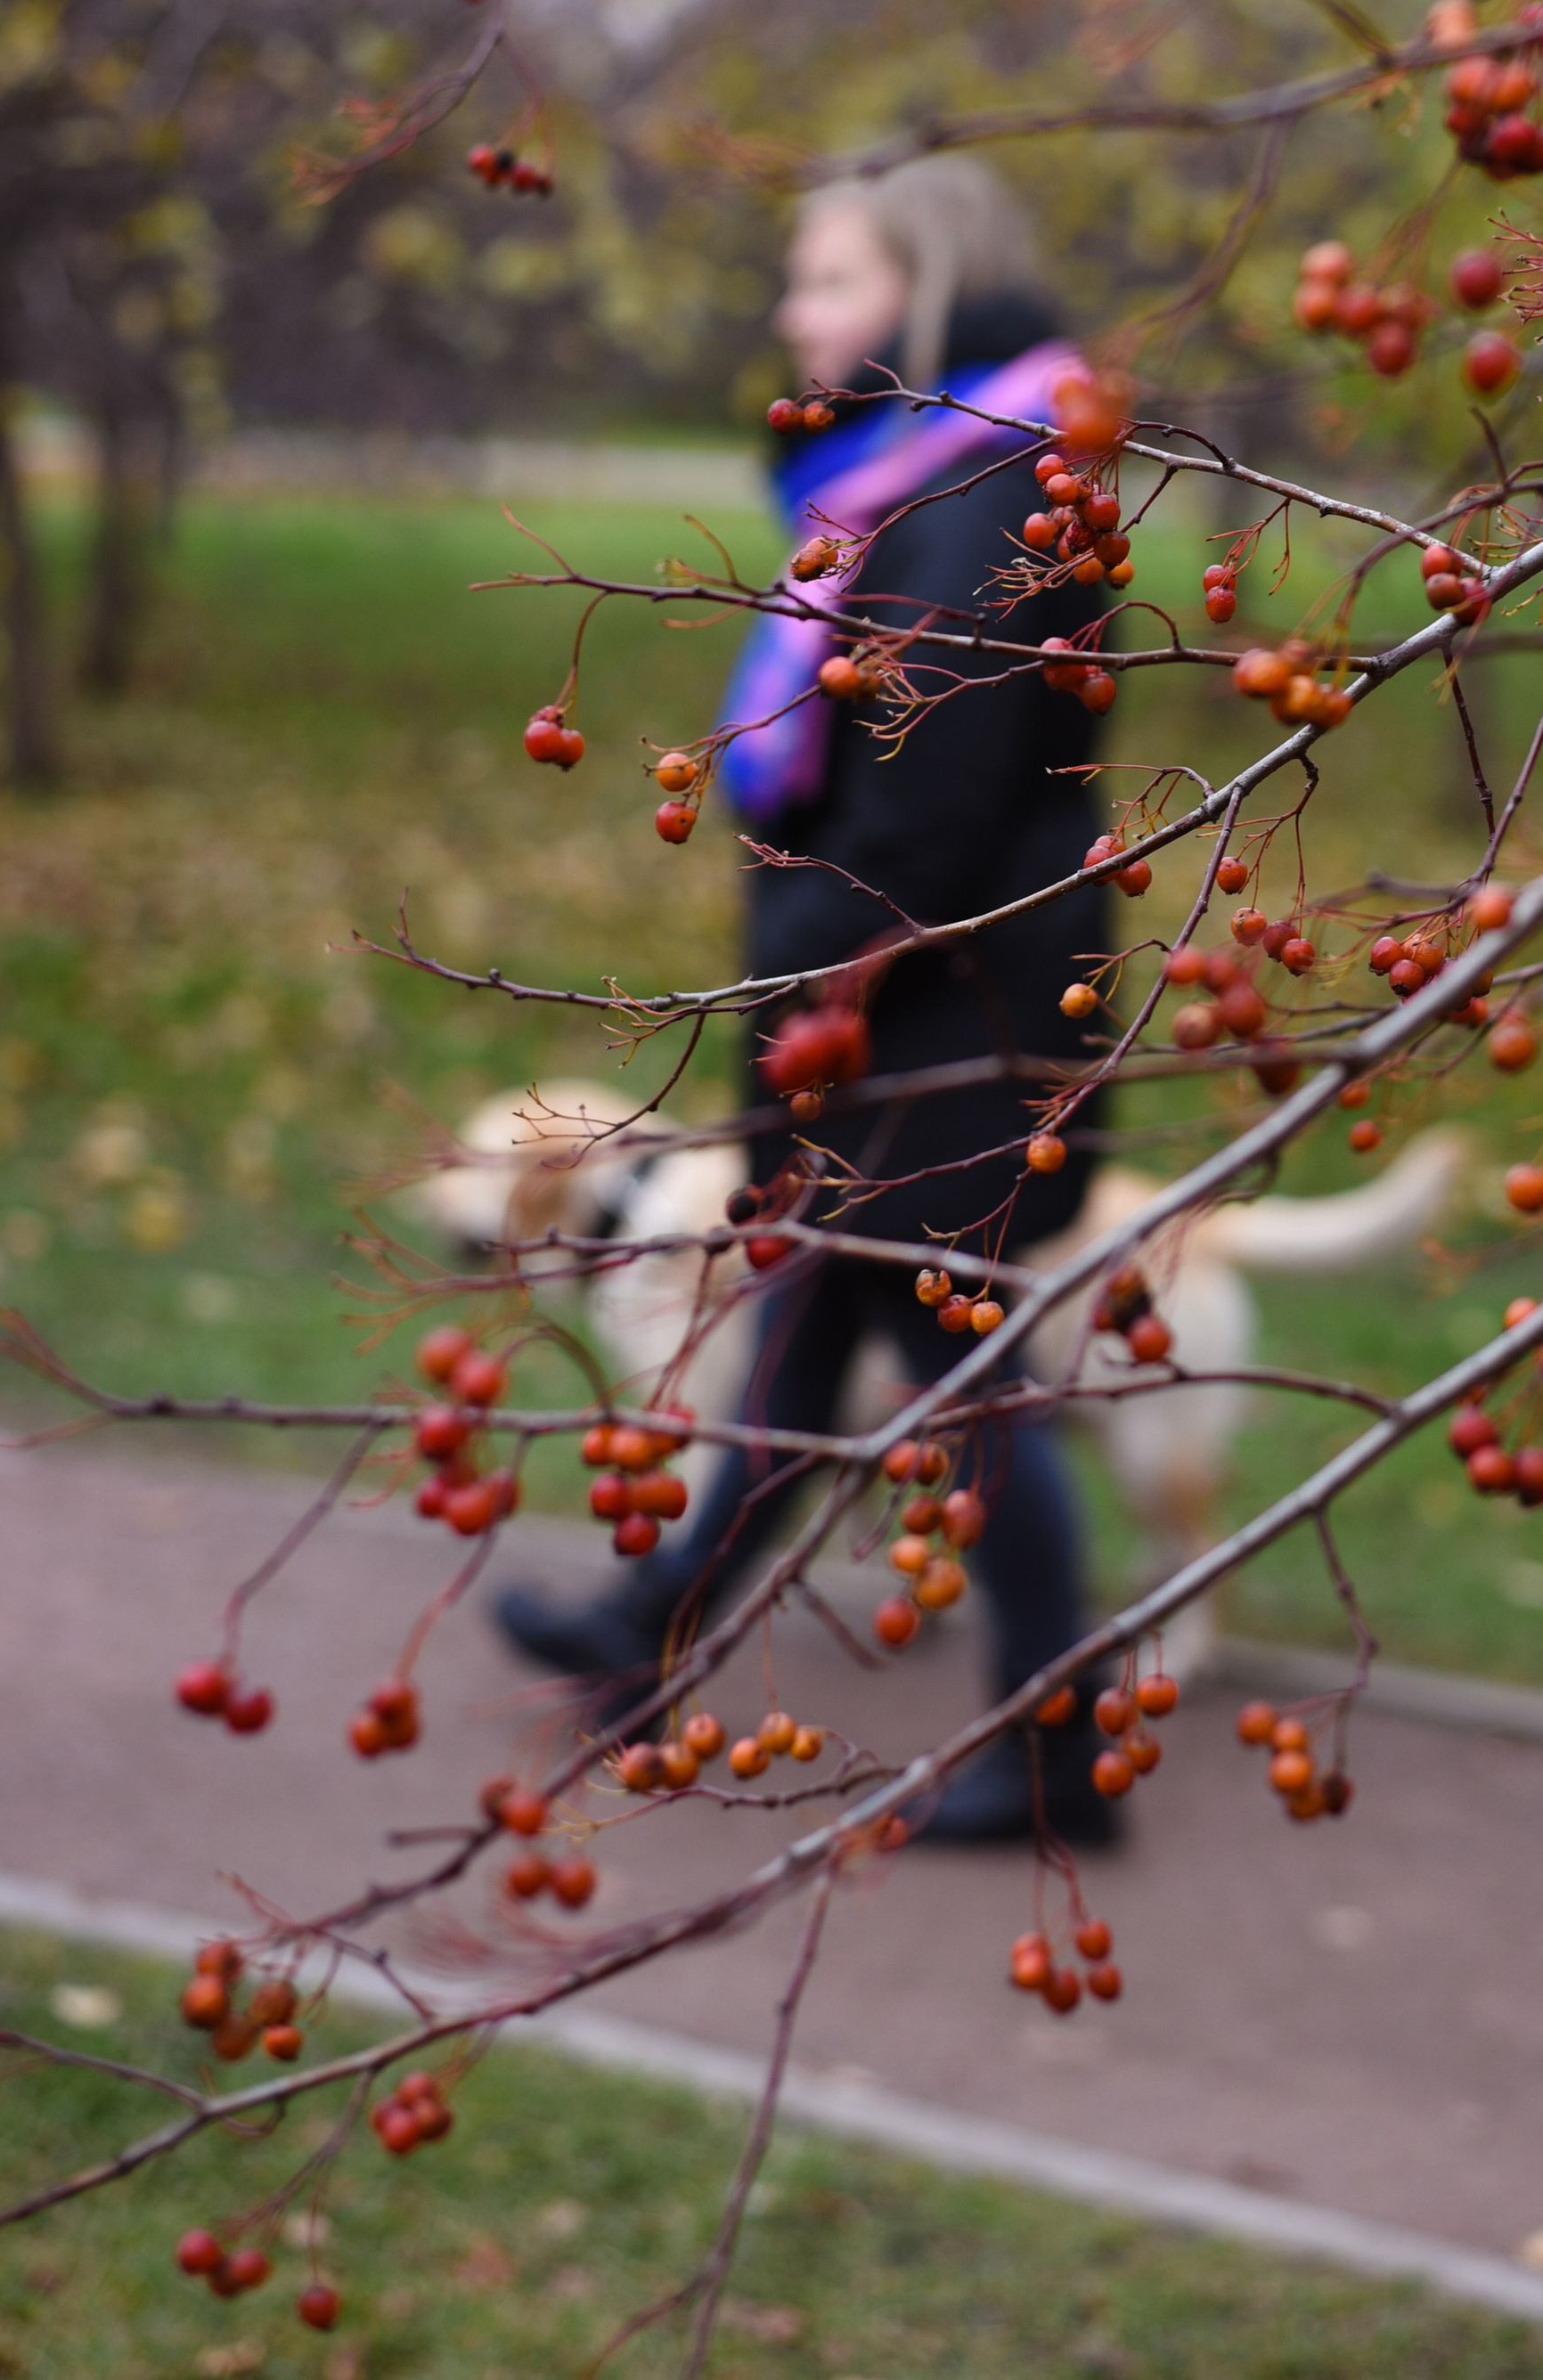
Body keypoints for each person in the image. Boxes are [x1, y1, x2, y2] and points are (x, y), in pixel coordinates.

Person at [498, 156, 1118, 1839]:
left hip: (948, 1009)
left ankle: (1064, 1747)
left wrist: (807, 979)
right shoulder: (910, 484)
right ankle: (649, 1631)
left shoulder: (994, 489)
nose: (797, 314)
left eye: (830, 281)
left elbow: (929, 795)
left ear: (920, 298)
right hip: (909, 1001)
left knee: (952, 1369)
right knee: (812, 1337)